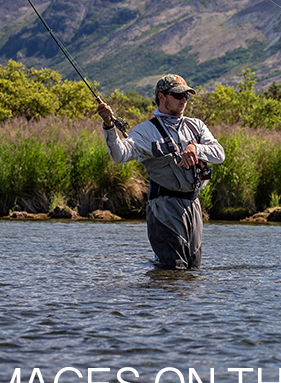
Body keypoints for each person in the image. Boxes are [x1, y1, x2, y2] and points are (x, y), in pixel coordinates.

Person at [96, 74, 225, 269]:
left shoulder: (196, 126)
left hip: (193, 204)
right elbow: (120, 155)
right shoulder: (146, 130)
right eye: (178, 95)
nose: (184, 100)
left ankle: (182, 300)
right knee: (173, 267)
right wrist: (109, 125)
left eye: (187, 96)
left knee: (193, 268)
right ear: (162, 97)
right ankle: (160, 298)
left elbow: (219, 154)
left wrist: (195, 149)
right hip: (164, 204)